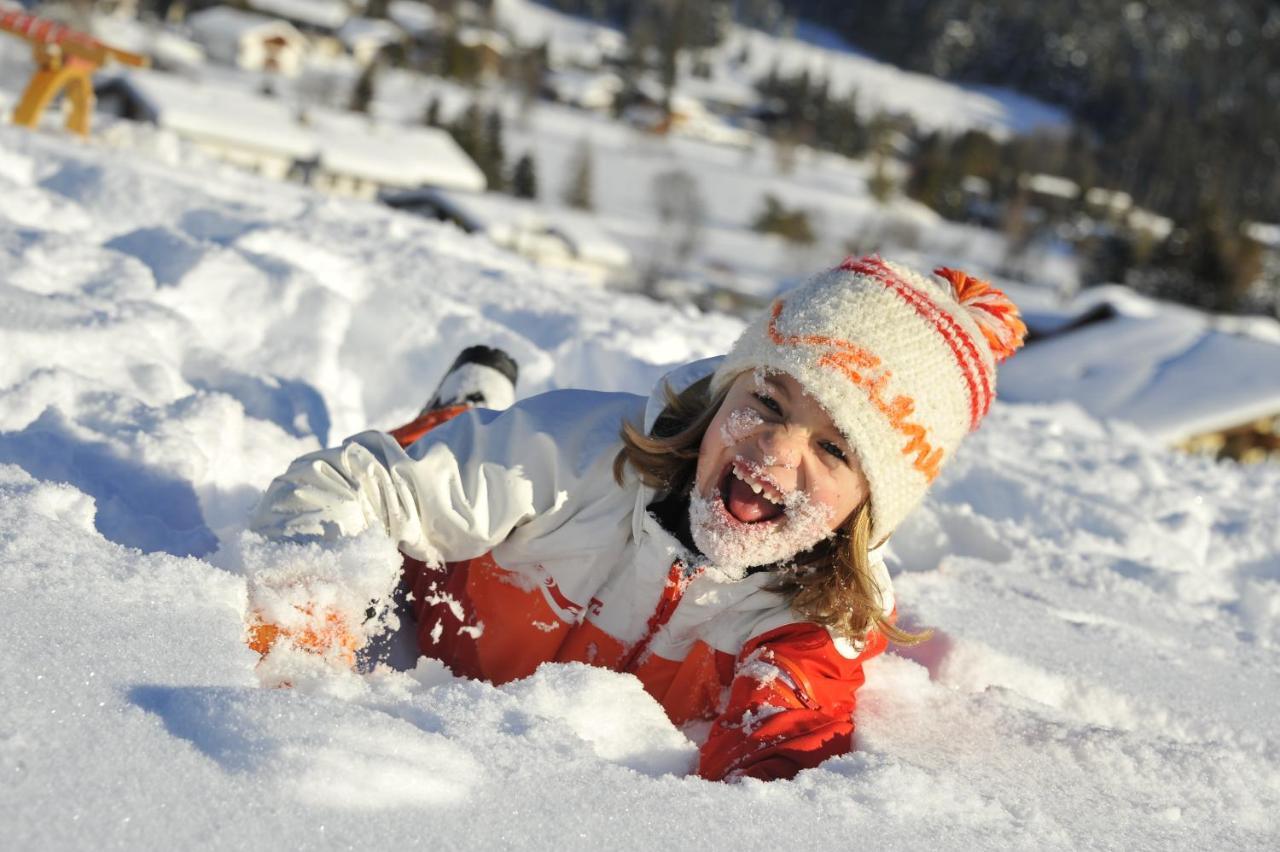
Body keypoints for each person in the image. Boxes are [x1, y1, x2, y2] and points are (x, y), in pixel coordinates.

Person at [246, 256, 1026, 781]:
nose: (774, 453)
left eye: (833, 447)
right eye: (765, 401)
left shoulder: (814, 626)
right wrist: (300, 670)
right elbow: (340, 486)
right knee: (443, 445)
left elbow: (777, 785)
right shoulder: (573, 451)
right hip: (443, 577)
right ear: (724, 393)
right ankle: (465, 402)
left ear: (872, 505)